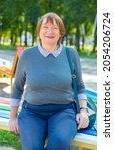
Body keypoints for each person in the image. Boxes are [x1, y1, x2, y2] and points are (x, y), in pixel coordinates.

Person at [9, 12, 89, 150]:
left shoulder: (71, 54)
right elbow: (17, 88)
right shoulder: (27, 55)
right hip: (32, 112)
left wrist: (83, 111)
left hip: (64, 111)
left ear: (60, 32)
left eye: (54, 28)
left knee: (60, 143)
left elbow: (80, 86)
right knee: (32, 148)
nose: (50, 31)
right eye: (45, 27)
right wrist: (13, 117)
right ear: (39, 31)